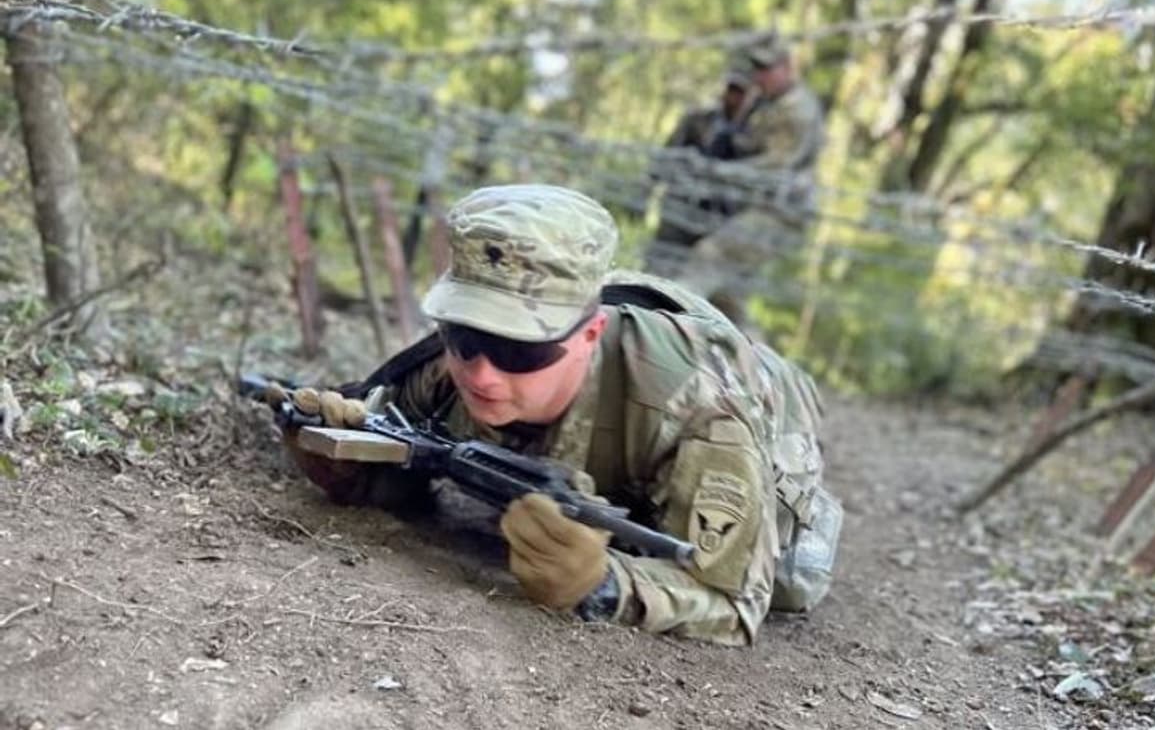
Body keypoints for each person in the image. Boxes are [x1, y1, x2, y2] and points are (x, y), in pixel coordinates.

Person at [275, 184, 842, 646]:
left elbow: (734, 602)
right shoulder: (445, 367)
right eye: (464, 335)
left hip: (768, 405)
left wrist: (604, 585)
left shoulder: (696, 410)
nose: (483, 373)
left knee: (792, 578)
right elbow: (390, 461)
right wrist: (336, 456)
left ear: (590, 334)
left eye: (522, 349)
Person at [677, 34, 825, 327]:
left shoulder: (797, 111)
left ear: (787, 67)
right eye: (756, 67)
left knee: (711, 256)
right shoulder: (767, 102)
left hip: (781, 213)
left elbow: (774, 167)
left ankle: (667, 320)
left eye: (767, 68)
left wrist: (717, 172)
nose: (760, 75)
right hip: (757, 205)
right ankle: (754, 361)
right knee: (728, 295)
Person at [644, 59, 758, 279]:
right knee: (659, 269)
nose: (733, 98)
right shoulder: (697, 120)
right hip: (680, 206)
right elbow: (669, 154)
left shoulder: (754, 135)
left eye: (741, 92)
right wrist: (649, 187)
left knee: (700, 280)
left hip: (720, 218)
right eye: (731, 90)